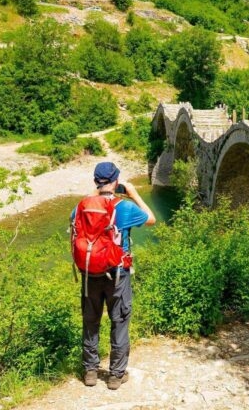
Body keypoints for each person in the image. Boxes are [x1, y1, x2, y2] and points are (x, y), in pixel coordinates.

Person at [71, 162, 156, 390]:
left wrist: (95, 194)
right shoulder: (124, 207)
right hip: (117, 275)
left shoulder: (81, 206)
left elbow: (76, 219)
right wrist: (134, 193)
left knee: (91, 321)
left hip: (90, 274)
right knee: (119, 321)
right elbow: (151, 218)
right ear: (116, 181)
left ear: (95, 182)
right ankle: (116, 376)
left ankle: (90, 371)